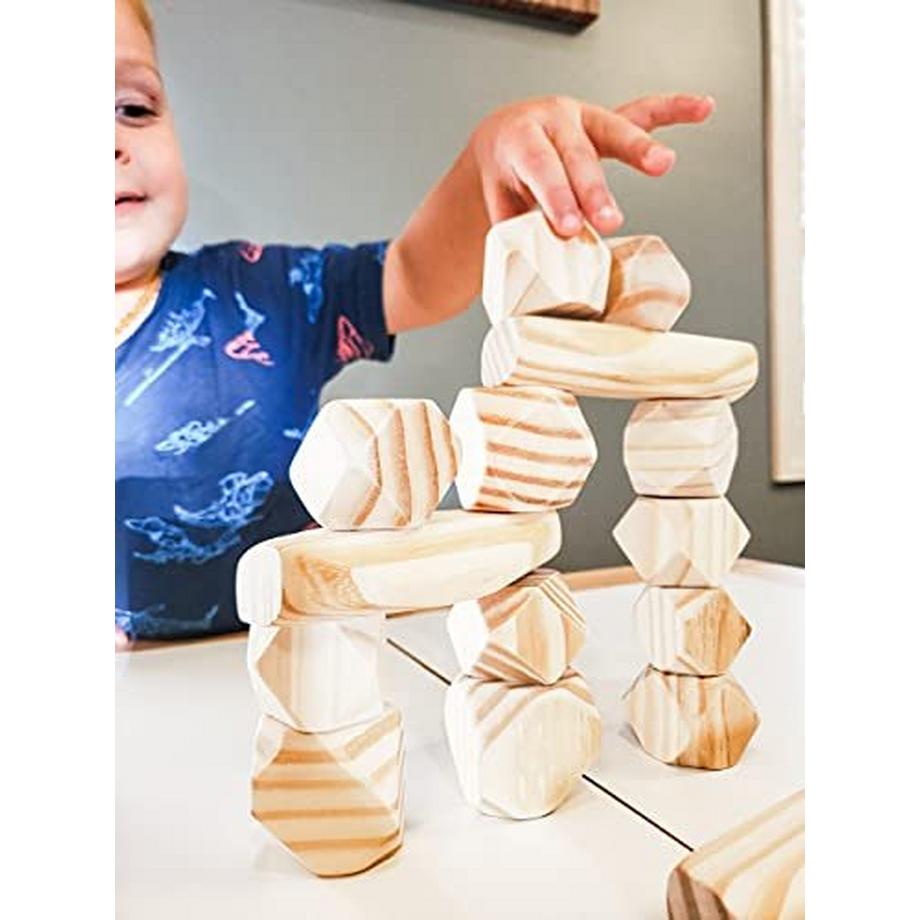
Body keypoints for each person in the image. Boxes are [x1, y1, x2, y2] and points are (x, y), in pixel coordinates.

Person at [115, 0, 714, 644]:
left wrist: (487, 162)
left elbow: (412, 277)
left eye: (133, 108)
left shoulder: (261, 295)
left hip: (307, 663)